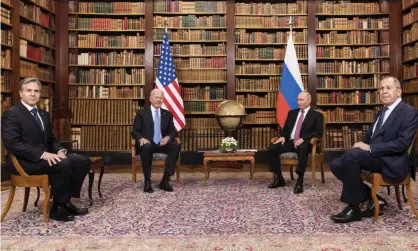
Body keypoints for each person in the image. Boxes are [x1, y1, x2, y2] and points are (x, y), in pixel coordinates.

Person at [330, 76, 418, 223]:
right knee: (336, 164)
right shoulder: (382, 111)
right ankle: (373, 197)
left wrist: (369, 148)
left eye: (388, 88)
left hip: (393, 160)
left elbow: (402, 144)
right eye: (381, 88)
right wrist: (362, 145)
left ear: (399, 92)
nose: (384, 91)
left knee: (351, 156)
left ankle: (354, 208)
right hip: (377, 157)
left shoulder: (409, 112)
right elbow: (370, 138)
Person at [1, 78, 91, 222]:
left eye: (36, 91)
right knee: (62, 164)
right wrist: (43, 154)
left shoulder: (43, 114)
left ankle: (65, 201)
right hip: (23, 161)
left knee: (82, 161)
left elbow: (51, 140)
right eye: (28, 90)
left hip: (44, 158)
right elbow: (12, 144)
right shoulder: (11, 114)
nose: (33, 94)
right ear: (20, 93)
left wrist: (60, 151)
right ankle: (58, 208)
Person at [267, 91, 323, 194]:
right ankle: (280, 179)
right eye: (298, 99)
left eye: (301, 100)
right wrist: (283, 136)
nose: (299, 102)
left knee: (303, 148)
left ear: (309, 101)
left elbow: (318, 132)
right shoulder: (292, 113)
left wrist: (304, 138)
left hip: (306, 142)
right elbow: (286, 129)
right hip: (291, 141)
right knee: (272, 149)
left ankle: (299, 180)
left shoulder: (316, 115)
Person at [132, 89, 180, 193]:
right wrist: (141, 138)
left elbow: (173, 132)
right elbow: (134, 131)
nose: (159, 100)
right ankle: (147, 181)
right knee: (146, 147)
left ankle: (165, 180)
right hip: (148, 143)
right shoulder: (142, 113)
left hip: (162, 143)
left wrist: (167, 138)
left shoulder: (167, 114)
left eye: (161, 98)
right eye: (156, 97)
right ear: (150, 99)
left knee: (176, 145)